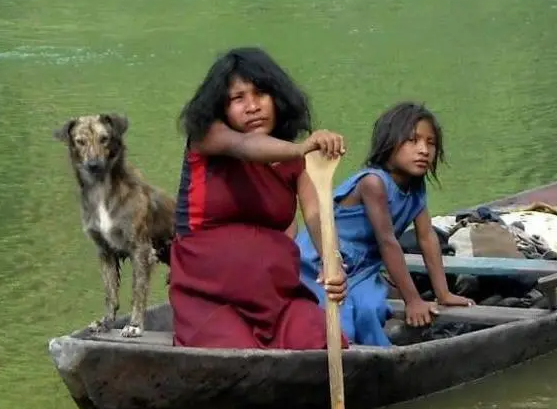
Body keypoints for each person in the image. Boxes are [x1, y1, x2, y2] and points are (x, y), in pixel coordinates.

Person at [169, 46, 349, 350]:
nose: (252, 106)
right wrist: (302, 148)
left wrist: (332, 261)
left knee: (321, 340)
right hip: (209, 296)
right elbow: (245, 146)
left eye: (261, 94)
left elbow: (316, 215)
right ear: (222, 108)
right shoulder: (209, 137)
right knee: (236, 356)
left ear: (277, 98)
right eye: (238, 98)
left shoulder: (298, 162)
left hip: (277, 296)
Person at [295, 101, 475, 347]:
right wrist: (412, 300)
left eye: (430, 143)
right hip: (324, 261)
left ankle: (376, 363)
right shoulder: (373, 183)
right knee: (340, 320)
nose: (423, 150)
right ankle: (341, 365)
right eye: (412, 141)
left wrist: (442, 293)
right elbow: (387, 242)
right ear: (389, 144)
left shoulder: (416, 186)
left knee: (371, 309)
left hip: (364, 266)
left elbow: (427, 238)